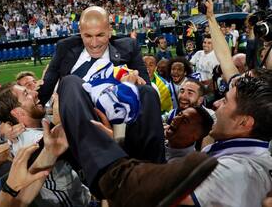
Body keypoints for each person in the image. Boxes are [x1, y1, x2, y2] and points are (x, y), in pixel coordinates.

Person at [55, 75, 218, 206]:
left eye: (186, 121)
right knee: (70, 82)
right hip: (128, 170)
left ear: (197, 136)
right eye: (180, 116)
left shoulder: (185, 166)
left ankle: (120, 178)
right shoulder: (161, 133)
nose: (176, 119)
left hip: (126, 177)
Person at [178, 75, 272, 207]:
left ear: (243, 122)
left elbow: (157, 198)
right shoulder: (257, 160)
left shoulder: (230, 170)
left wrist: (176, 150)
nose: (216, 104)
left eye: (225, 101)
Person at [0, 83, 91, 206]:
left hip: (79, 192)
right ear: (18, 113)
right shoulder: (32, 142)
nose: (35, 93)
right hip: (71, 202)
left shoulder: (30, 127)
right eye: (26, 94)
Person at [38, 6, 150, 105]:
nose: (94, 43)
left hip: (117, 115)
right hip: (74, 115)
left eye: (100, 35)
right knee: (71, 81)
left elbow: (147, 91)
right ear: (80, 32)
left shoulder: (129, 48)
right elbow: (44, 91)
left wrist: (133, 83)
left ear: (110, 31)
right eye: (88, 36)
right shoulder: (65, 48)